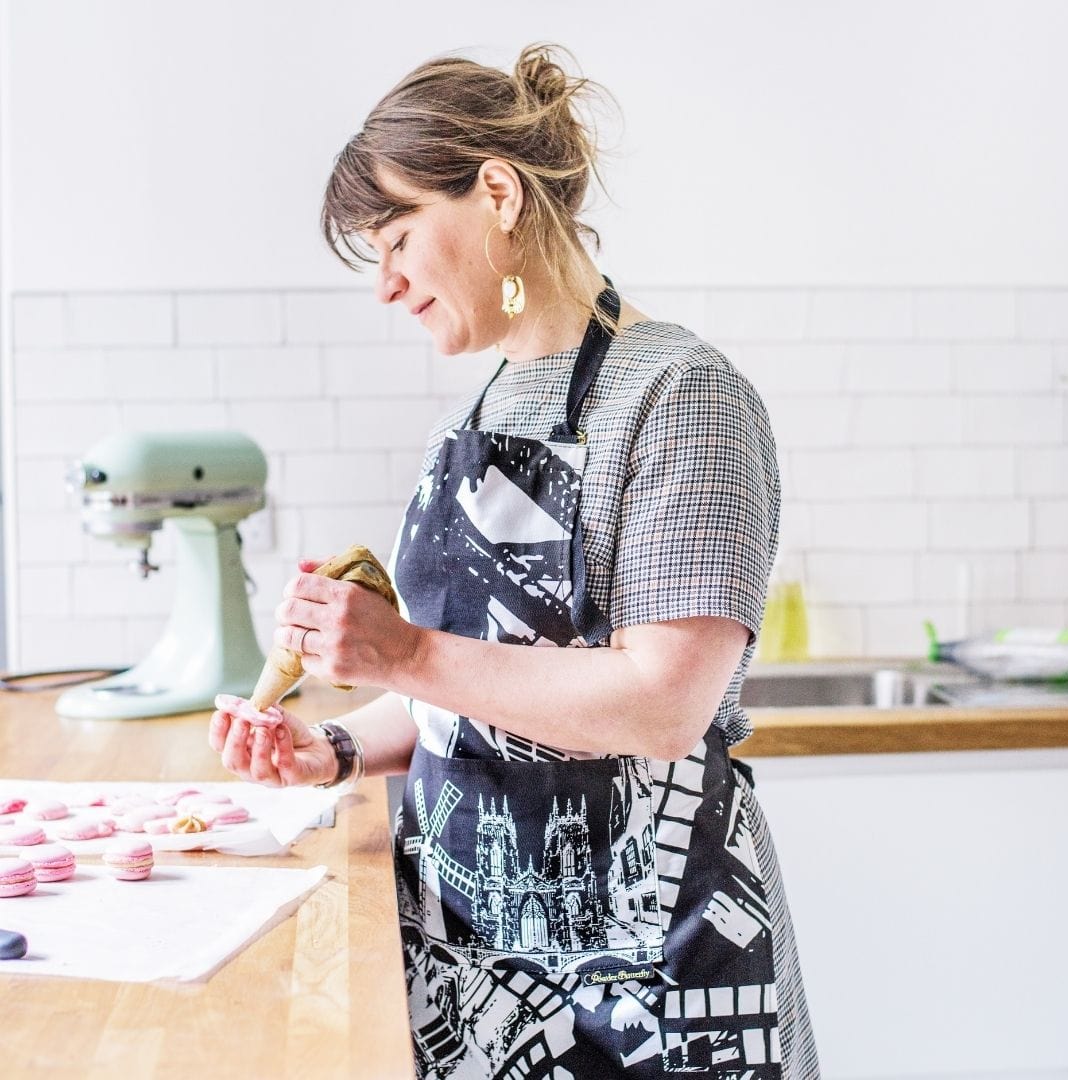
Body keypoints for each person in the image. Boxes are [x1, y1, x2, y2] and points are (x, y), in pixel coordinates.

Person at [210, 42, 818, 1080]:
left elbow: (661, 702)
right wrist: (341, 750)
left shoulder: (681, 396)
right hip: (479, 974)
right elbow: (477, 687)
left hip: (659, 984)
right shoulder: (477, 415)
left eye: (397, 239)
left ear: (495, 192)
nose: (388, 286)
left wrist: (401, 652)